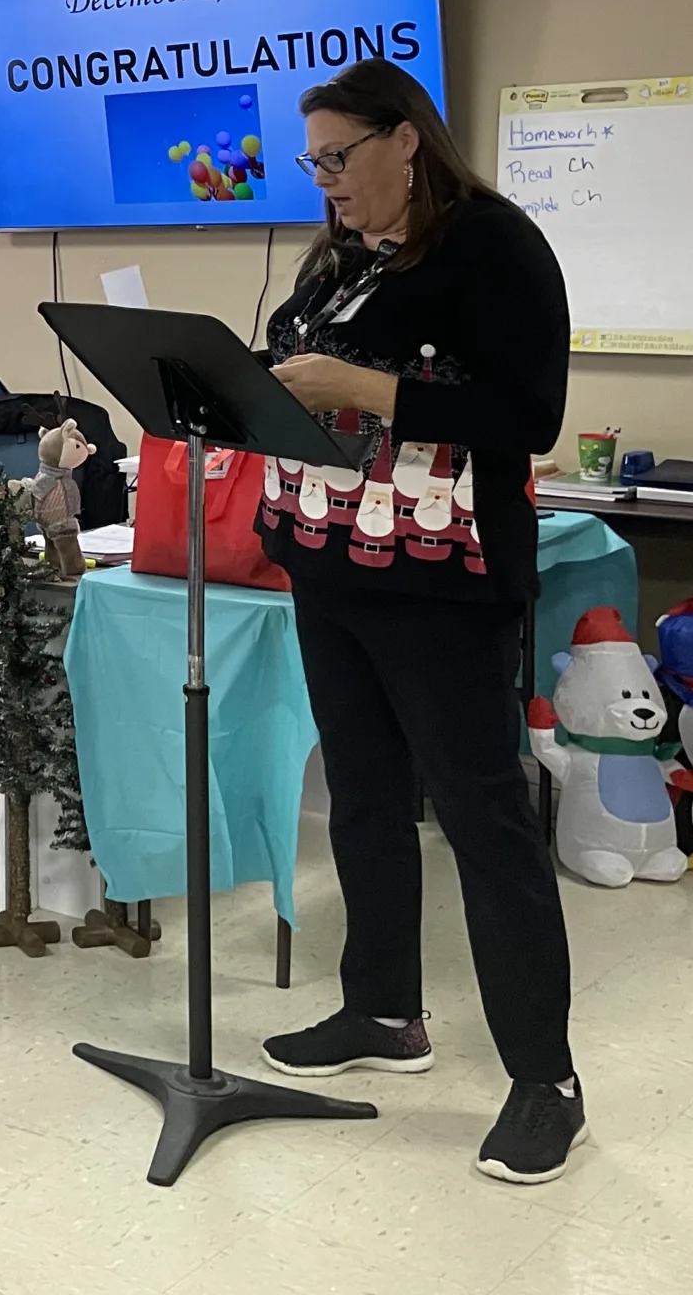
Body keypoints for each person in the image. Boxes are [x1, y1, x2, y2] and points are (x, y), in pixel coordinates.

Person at [254, 58, 582, 1185]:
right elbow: (304, 373)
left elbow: (526, 414)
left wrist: (367, 391)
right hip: (329, 563)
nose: (326, 181)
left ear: (406, 141)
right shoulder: (344, 256)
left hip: (442, 581)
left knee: (485, 825)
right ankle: (382, 1012)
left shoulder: (493, 245)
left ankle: (547, 1083)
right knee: (362, 800)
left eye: (339, 157)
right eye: (314, 163)